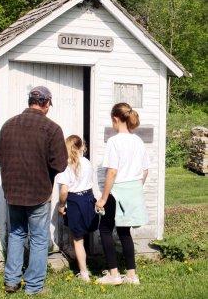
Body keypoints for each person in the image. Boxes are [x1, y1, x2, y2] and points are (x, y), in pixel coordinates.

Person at [0, 86, 68, 295]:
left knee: (16, 234)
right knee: (38, 238)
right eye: (48, 105)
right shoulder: (52, 129)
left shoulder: (8, 125)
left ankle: (11, 281)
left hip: (13, 193)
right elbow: (60, 165)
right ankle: (34, 286)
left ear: (30, 102)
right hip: (39, 193)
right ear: (45, 104)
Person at [95, 102, 149, 285]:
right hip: (133, 189)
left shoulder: (114, 141)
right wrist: (135, 188)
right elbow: (145, 171)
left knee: (105, 229)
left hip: (116, 191)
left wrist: (103, 198)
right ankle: (132, 275)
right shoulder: (138, 141)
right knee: (125, 232)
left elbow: (112, 172)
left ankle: (114, 274)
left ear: (115, 119)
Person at [56, 135, 98, 282]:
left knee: (78, 239)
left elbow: (64, 191)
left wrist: (61, 205)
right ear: (82, 147)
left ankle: (84, 272)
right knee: (86, 232)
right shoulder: (87, 162)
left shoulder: (65, 166)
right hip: (88, 198)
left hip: (75, 201)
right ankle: (90, 263)